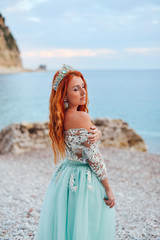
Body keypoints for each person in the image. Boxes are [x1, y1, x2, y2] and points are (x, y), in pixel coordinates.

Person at [34, 64, 116, 240]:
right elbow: (93, 157)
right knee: (87, 227)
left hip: (65, 176)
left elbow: (79, 143)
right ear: (64, 95)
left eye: (83, 86)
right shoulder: (82, 117)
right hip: (84, 179)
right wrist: (108, 188)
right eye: (76, 89)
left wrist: (98, 133)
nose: (83, 92)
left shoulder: (60, 118)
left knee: (68, 223)